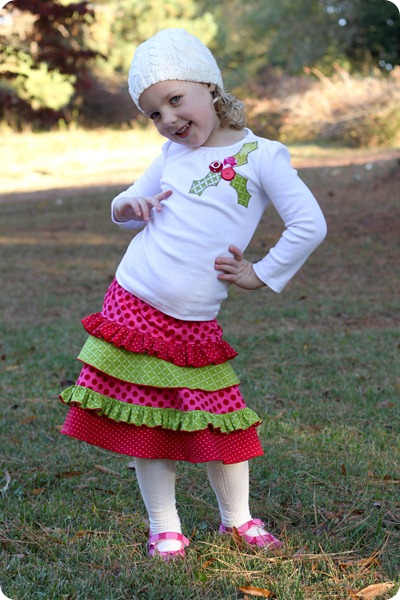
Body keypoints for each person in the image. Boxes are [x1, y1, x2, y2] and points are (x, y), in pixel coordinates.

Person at [60, 28, 327, 560]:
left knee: (221, 417)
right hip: (134, 304)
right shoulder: (170, 155)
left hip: (195, 319)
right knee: (148, 419)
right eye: (154, 113)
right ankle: (165, 528)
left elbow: (309, 224)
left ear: (210, 86)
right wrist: (125, 206)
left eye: (176, 99)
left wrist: (260, 273)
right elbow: (129, 204)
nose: (168, 119)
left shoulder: (262, 155)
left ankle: (239, 521)